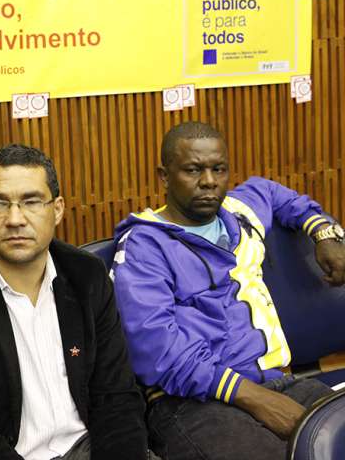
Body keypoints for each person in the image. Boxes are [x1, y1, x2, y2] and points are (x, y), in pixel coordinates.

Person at [112, 121, 345, 460]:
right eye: (193, 170)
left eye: (218, 169)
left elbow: (279, 196)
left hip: (276, 381)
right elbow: (157, 352)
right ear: (164, 176)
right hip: (193, 401)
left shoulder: (240, 210)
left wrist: (324, 233)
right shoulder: (144, 247)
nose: (208, 181)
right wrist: (256, 399)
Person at [0, 144, 148, 460]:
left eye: (31, 202)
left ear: (57, 209)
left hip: (86, 448)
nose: (14, 219)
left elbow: (116, 399)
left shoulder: (86, 275)